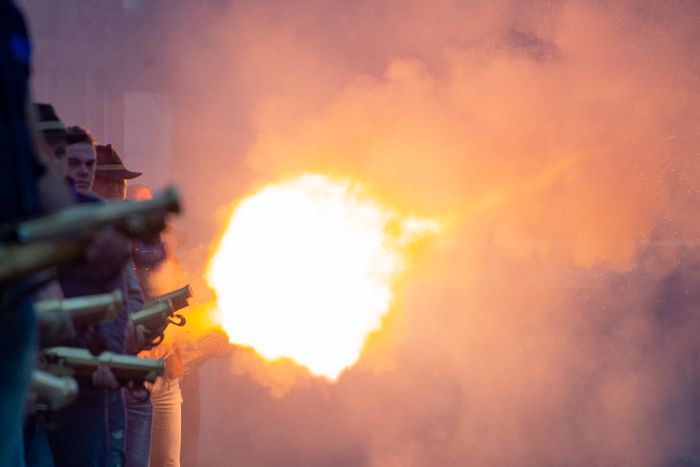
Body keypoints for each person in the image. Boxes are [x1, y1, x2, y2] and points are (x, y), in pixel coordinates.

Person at [90, 144, 149, 467]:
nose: (115, 185)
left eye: (120, 180)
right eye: (106, 178)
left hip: (131, 363)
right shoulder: (76, 225)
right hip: (92, 366)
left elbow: (143, 292)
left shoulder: (134, 227)